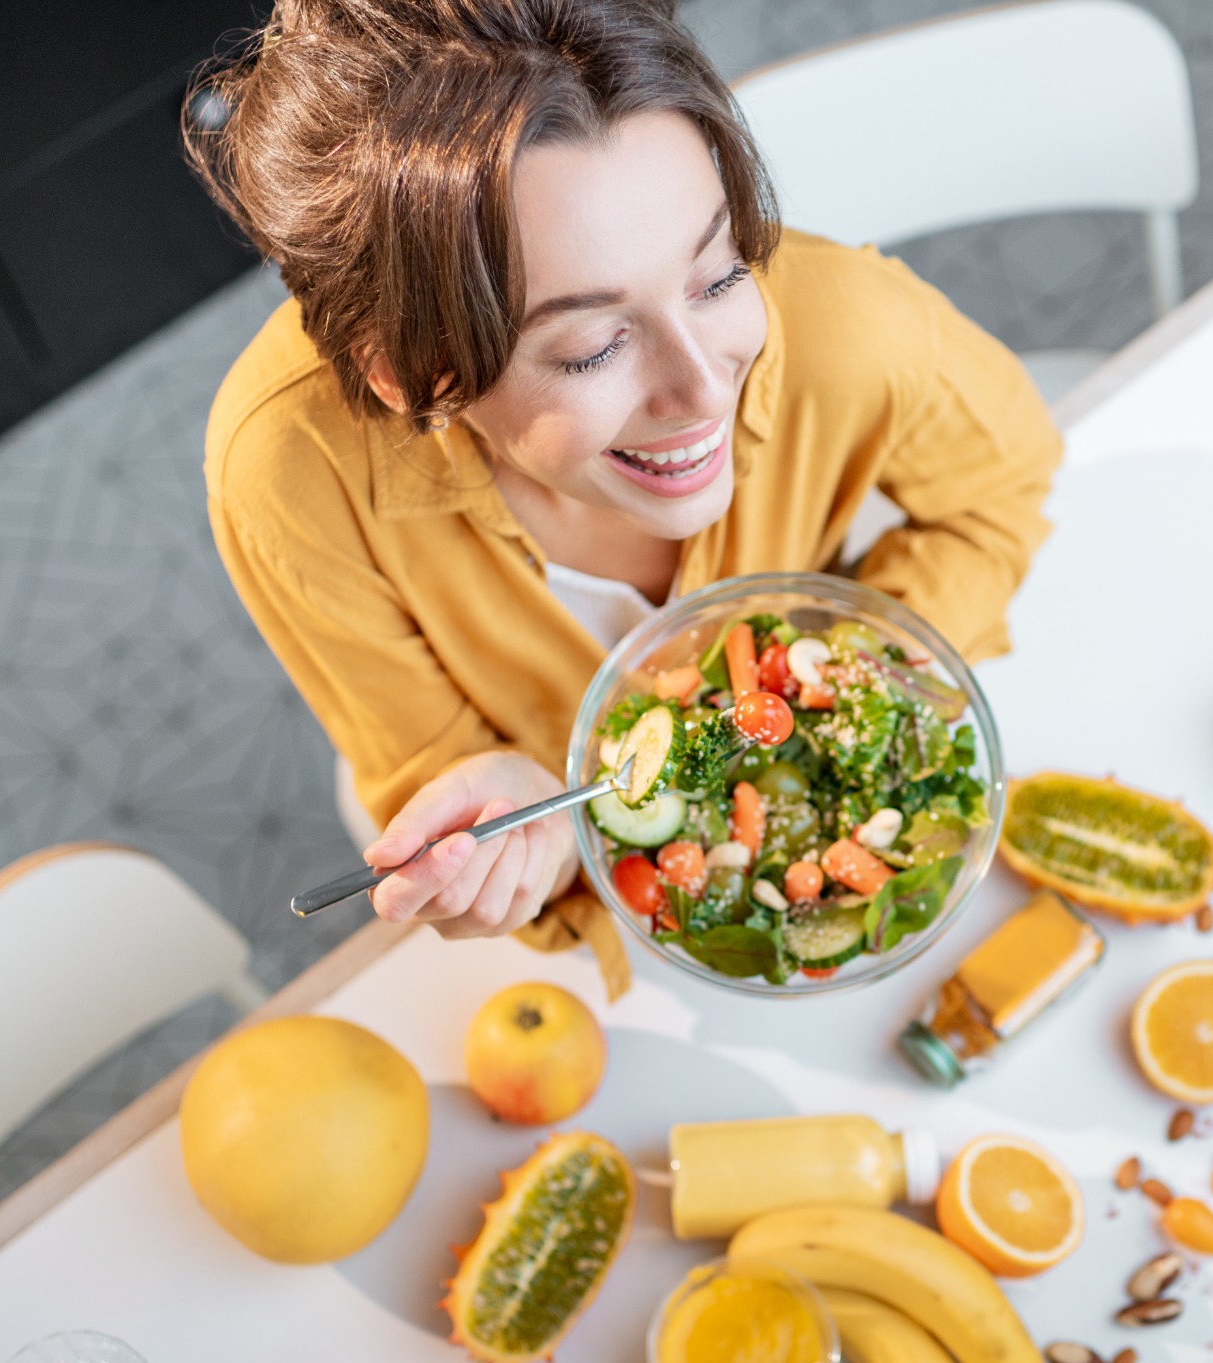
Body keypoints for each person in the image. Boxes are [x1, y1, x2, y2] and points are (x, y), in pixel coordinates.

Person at [191, 0, 1061, 991]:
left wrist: (840, 676)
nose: (704, 391)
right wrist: (537, 829)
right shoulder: (291, 477)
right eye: (590, 346)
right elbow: (434, 764)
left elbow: (999, 491)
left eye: (718, 273)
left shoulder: (854, 330)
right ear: (413, 376)